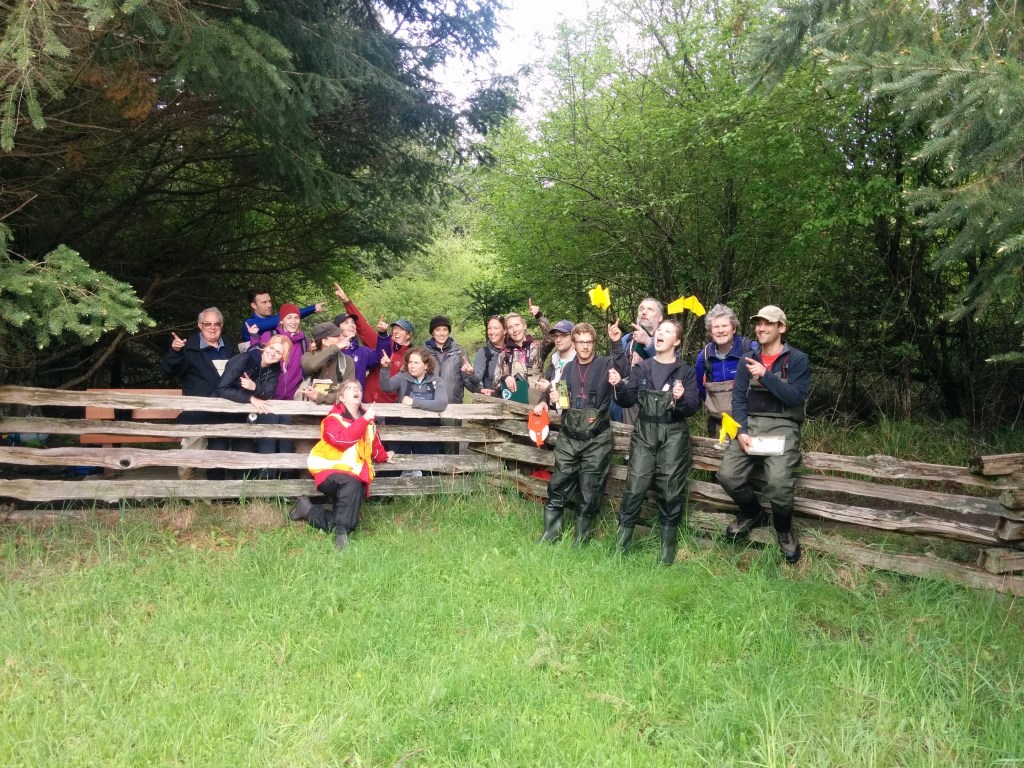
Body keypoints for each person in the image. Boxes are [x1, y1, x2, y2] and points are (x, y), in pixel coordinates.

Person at [716, 305, 810, 564]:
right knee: (727, 475)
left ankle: (783, 531)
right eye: (758, 323)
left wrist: (766, 375)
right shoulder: (748, 357)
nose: (761, 328)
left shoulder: (797, 360)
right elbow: (738, 400)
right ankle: (751, 512)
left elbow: (795, 397)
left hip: (783, 426)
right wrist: (741, 432)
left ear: (782, 327)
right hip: (751, 426)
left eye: (768, 323)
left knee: (778, 484)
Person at [611, 319, 699, 564]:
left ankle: (667, 552)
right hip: (644, 433)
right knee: (635, 485)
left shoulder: (686, 371)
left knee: (670, 490)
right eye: (659, 331)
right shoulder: (642, 368)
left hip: (674, 435)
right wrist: (618, 385)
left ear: (677, 341)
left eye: (667, 331)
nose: (660, 334)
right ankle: (621, 546)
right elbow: (627, 400)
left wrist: (681, 400)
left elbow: (693, 407)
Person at [535, 320, 627, 545]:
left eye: (589, 342)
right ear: (573, 344)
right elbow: (565, 402)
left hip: (597, 440)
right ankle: (551, 533)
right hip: (569, 437)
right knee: (558, 482)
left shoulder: (606, 364)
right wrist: (556, 399)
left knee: (590, 487)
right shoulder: (567, 369)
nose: (585, 346)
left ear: (594, 343)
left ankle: (581, 537)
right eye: (580, 342)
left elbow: (624, 370)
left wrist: (616, 342)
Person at [291, 381, 394, 550]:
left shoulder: (368, 423)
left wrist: (384, 455)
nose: (356, 390)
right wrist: (364, 420)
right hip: (329, 473)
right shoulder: (333, 419)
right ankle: (342, 539)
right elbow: (342, 440)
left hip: (353, 478)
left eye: (358, 389)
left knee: (350, 504)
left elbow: (374, 447)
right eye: (350, 389)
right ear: (341, 398)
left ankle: (308, 511)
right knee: (352, 486)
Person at [161, 307, 234, 480]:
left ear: (221, 326)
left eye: (216, 323)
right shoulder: (188, 349)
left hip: (221, 413)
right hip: (196, 413)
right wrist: (174, 351)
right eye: (207, 323)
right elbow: (168, 370)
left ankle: (217, 496)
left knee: (218, 456)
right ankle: (186, 496)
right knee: (190, 457)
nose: (212, 327)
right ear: (200, 326)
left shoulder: (228, 348)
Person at [212, 334, 293, 476]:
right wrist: (251, 398)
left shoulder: (274, 369)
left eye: (279, 352)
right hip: (221, 414)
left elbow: (268, 393)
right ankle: (214, 495)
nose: (273, 353)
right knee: (218, 451)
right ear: (265, 346)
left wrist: (254, 387)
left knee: (244, 452)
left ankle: (238, 496)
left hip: (243, 418)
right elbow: (221, 389)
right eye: (272, 348)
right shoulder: (243, 359)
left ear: (282, 357)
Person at [332, 283, 412, 403]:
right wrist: (347, 302)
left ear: (409, 335)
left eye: (401, 329)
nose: (396, 332)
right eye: (395, 328)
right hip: (366, 401)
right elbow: (362, 326)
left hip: (390, 407)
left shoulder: (411, 357)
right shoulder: (382, 343)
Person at [379, 347, 450, 471]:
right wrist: (385, 369)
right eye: (410, 362)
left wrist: (413, 402)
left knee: (431, 469)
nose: (411, 366)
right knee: (391, 468)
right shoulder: (403, 377)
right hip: (401, 430)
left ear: (426, 365)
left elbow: (441, 403)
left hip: (427, 431)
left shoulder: (436, 381)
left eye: (416, 363)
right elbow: (386, 387)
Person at [694, 304, 757, 439]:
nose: (720, 330)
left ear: (733, 329)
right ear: (711, 332)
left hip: (751, 422)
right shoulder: (703, 357)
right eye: (716, 327)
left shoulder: (750, 349)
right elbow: (701, 389)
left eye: (725, 326)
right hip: (719, 424)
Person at [611, 297, 664, 424]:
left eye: (650, 309)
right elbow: (619, 372)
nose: (644, 312)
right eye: (641, 309)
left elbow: (669, 367)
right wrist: (616, 343)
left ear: (660, 318)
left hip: (655, 408)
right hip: (626, 406)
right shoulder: (627, 340)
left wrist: (648, 342)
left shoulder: (666, 339)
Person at [493, 303, 552, 405]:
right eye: (510, 327)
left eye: (517, 325)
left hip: (539, 404)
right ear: (507, 331)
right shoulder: (504, 354)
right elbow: (495, 382)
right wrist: (505, 378)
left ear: (524, 326)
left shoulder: (537, 347)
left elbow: (551, 339)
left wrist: (539, 316)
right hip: (515, 405)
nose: (515, 330)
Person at [240, 288, 322, 348]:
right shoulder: (250, 324)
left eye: (269, 301)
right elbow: (279, 319)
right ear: (254, 305)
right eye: (264, 302)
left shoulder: (275, 319)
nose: (269, 305)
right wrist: (313, 308)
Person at [299, 322, 357, 405]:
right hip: (308, 413)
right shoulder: (308, 356)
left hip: (337, 414)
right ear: (325, 341)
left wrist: (319, 397)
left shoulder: (346, 360)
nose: (342, 337)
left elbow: (348, 393)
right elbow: (311, 365)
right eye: (337, 336)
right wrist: (336, 347)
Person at [465, 315, 507, 397]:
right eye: (489, 328)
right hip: (491, 402)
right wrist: (471, 373)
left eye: (495, 328)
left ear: (504, 331)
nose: (491, 332)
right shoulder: (484, 352)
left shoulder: (513, 351)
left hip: (514, 402)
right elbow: (476, 380)